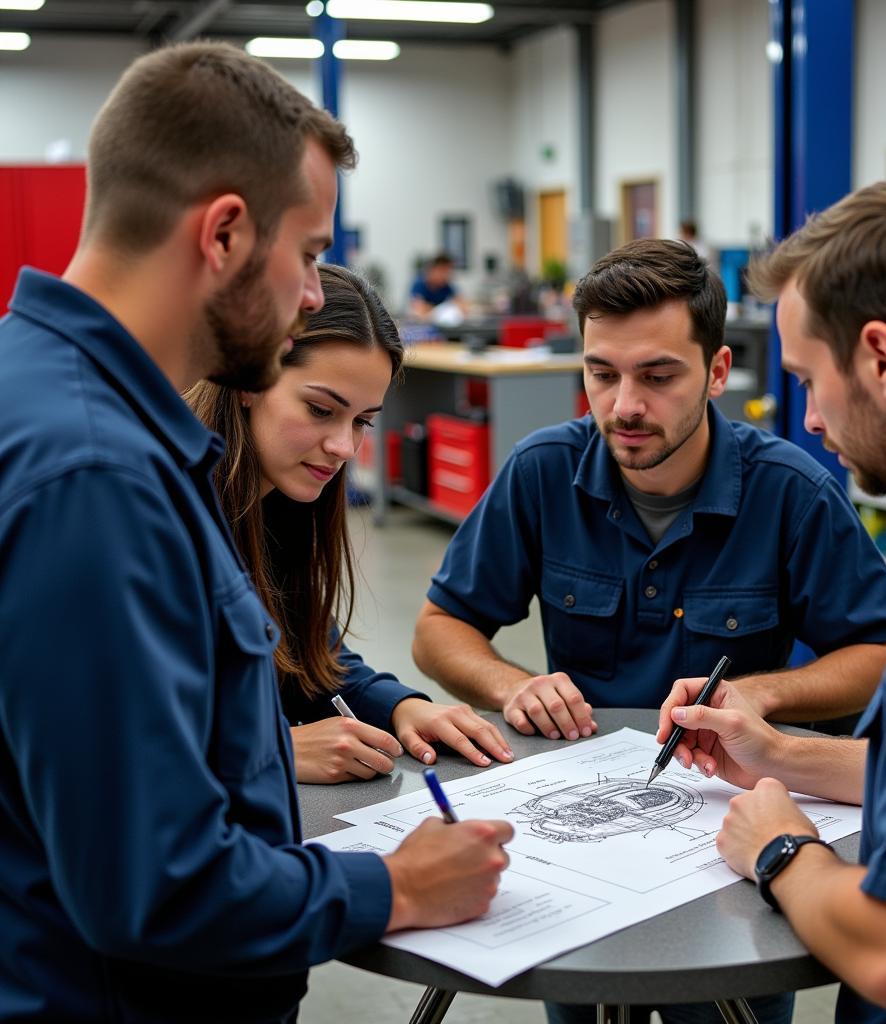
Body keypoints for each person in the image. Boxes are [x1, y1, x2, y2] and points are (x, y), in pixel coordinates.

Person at [0, 42, 511, 1023]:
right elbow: (159, 883)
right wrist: (395, 886)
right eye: (311, 253)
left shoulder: (71, 411)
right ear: (225, 232)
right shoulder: (97, 476)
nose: (317, 293)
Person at [412, 236, 886, 1024]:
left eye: (658, 376)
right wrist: (515, 684)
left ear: (715, 372)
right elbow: (440, 626)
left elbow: (883, 655)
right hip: (577, 847)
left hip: (724, 842)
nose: (624, 406)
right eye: (600, 374)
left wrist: (758, 695)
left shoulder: (790, 493)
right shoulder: (543, 472)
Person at [656, 179, 886, 1021]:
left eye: (809, 380)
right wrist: (780, 755)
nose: (810, 420)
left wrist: (783, 851)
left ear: (883, 359)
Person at [187, 263, 515, 783]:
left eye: (362, 420)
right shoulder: (158, 514)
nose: (344, 448)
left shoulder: (278, 500)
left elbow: (312, 659)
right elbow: (105, 736)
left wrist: (401, 707)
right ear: (249, 376)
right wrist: (275, 749)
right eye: (320, 410)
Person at [409, 251, 468, 320]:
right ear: (433, 270)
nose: (447, 275)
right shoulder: (420, 284)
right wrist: (442, 309)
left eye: (448, 272)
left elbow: (462, 306)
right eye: (443, 271)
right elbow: (419, 309)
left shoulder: (447, 287)